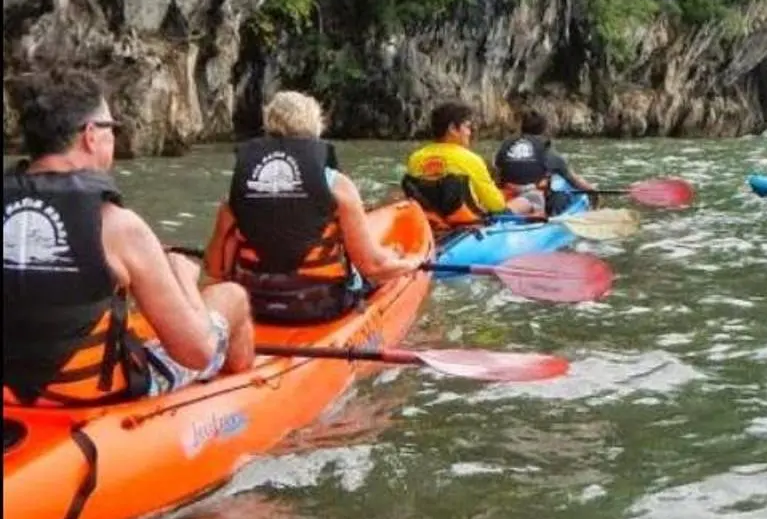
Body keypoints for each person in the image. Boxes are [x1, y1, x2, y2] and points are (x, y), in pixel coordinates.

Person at [2, 72, 254, 406]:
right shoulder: (119, 226)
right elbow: (196, 352)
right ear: (91, 135)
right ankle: (243, 399)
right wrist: (183, 278)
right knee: (231, 296)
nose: (114, 140)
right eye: (111, 128)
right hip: (82, 398)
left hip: (11, 396)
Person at [204, 90, 405, 323]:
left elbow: (214, 268)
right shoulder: (337, 185)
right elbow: (372, 265)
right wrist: (408, 262)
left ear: (268, 126)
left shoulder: (241, 187)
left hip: (254, 306)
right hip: (320, 306)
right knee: (386, 273)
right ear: (316, 127)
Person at [402, 100, 539, 231]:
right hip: (468, 223)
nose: (470, 132)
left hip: (432, 221)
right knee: (531, 197)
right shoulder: (471, 160)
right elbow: (496, 206)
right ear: (452, 129)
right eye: (467, 127)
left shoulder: (415, 158)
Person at [493, 110, 599, 217]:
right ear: (543, 129)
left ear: (522, 127)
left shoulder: (506, 144)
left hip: (505, 193)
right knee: (553, 197)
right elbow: (574, 180)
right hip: (530, 196)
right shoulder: (547, 151)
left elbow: (497, 171)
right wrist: (592, 190)